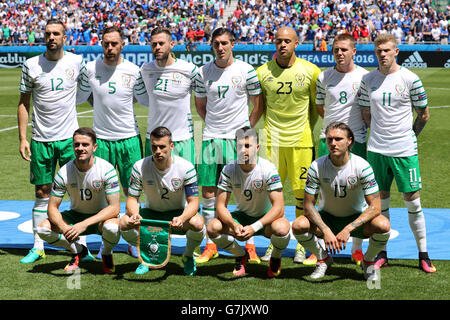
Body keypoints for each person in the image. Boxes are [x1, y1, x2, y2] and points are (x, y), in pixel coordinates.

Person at [17, 19, 94, 264]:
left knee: (76, 194)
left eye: (56, 34)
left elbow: (91, 93)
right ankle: (38, 246)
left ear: (64, 37)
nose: (51, 37)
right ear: (44, 36)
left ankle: (81, 247)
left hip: (70, 140)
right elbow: (23, 103)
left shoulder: (75, 62)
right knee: (42, 192)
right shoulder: (31, 65)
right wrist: (22, 138)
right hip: (41, 139)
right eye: (48, 33)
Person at [359, 34, 436, 273]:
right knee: (380, 205)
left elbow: (423, 114)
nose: (382, 54)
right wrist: (379, 135)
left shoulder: (410, 79)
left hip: (404, 150)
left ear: (396, 51)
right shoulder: (368, 79)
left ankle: (423, 254)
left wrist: (410, 136)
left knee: (413, 202)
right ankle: (383, 253)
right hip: (377, 151)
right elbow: (365, 113)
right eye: (378, 50)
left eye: (386, 50)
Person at [77, 26, 148, 259]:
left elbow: (140, 99)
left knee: (132, 192)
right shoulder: (90, 69)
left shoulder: (133, 70)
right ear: (101, 44)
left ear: (122, 45)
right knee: (101, 194)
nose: (110, 48)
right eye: (106, 43)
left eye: (114, 43)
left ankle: (133, 239)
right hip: (102, 141)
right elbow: (85, 95)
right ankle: (103, 241)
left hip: (129, 139)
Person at [194, 27, 264, 264]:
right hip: (211, 138)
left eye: (224, 43)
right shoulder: (202, 72)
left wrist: (245, 131)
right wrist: (215, 127)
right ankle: (210, 244)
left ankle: (250, 244)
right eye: (216, 44)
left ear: (233, 43)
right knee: (209, 193)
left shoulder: (246, 70)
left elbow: (257, 105)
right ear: (211, 46)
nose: (220, 48)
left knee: (246, 193)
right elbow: (200, 106)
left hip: (239, 140)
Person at [292, 122, 391, 280]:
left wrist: (348, 229)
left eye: (338, 139)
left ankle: (368, 260)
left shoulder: (362, 166)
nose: (333, 143)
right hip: (328, 219)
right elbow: (308, 205)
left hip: (355, 219)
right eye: (329, 139)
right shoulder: (316, 166)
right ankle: (323, 259)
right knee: (298, 225)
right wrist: (325, 230)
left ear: (349, 141)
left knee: (383, 225)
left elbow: (376, 207)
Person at [255, 26, 321, 265]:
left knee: (304, 197)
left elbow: (316, 110)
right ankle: (276, 240)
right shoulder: (262, 72)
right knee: (274, 196)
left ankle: (303, 244)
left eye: (287, 41)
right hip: (271, 142)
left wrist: (303, 131)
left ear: (296, 44)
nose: (282, 45)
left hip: (301, 143)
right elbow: (259, 107)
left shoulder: (311, 71)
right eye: (278, 41)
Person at [119, 127, 206, 276]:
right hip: (150, 214)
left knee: (198, 223)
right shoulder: (139, 166)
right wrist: (134, 214)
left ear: (171, 146)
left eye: (162, 147)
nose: (158, 151)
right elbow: (132, 199)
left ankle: (188, 255)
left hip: (177, 215)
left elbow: (193, 203)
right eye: (154, 147)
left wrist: (182, 218)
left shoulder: (186, 167)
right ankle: (145, 257)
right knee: (123, 223)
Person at [207, 127, 290, 277]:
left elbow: (279, 208)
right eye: (239, 146)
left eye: (247, 146)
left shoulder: (268, 169)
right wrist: (234, 225)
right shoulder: (228, 169)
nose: (243, 150)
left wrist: (255, 226)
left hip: (265, 219)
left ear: (257, 148)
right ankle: (240, 255)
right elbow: (220, 205)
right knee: (213, 227)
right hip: (242, 217)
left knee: (282, 228)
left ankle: (276, 257)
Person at [315, 33, 369, 265]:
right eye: (336, 49)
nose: (339, 53)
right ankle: (320, 250)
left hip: (357, 142)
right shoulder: (323, 76)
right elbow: (320, 107)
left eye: (344, 49)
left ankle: (357, 248)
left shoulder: (365, 77)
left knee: (360, 195)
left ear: (354, 51)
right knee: (321, 192)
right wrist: (332, 133)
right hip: (327, 141)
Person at [36, 127, 121, 274]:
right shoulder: (64, 172)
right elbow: (52, 208)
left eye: (85, 144)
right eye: (77, 145)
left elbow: (114, 208)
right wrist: (64, 228)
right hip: (75, 216)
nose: (80, 148)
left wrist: (84, 224)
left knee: (112, 228)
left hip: (101, 218)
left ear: (94, 147)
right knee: (42, 229)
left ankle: (106, 253)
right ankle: (78, 250)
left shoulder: (106, 169)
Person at [140, 27, 203, 165]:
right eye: (154, 44)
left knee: (186, 184)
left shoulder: (190, 70)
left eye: (161, 43)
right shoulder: (145, 69)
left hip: (182, 139)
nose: (157, 47)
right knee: (153, 184)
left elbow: (203, 99)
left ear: (172, 44)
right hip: (154, 139)